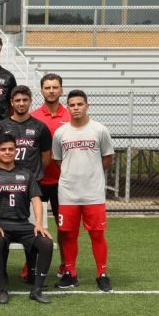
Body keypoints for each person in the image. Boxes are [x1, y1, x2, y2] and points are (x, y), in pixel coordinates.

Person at [51, 90, 115, 293]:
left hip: (93, 193)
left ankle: (102, 274)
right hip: (68, 193)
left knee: (97, 234)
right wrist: (72, 175)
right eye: (72, 105)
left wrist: (91, 174)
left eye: (80, 104)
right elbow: (58, 160)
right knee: (68, 234)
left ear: (88, 106)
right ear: (67, 107)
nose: (76, 108)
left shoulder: (100, 130)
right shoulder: (61, 133)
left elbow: (107, 157)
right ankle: (70, 273)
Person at [0, 133, 53, 304]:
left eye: (10, 149)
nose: (7, 152)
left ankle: (36, 290)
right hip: (1, 224)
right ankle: (2, 289)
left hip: (23, 224)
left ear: (16, 151)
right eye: (3, 149)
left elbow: (36, 199)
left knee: (46, 243)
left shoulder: (26, 174)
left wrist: (39, 224)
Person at [0, 85, 53, 283]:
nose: (21, 103)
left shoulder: (39, 127)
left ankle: (32, 270)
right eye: (17, 100)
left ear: (29, 101)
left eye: (24, 100)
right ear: (11, 103)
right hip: (4, 183)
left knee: (30, 229)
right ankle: (3, 272)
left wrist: (31, 174)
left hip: (31, 184)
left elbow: (45, 156)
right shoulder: (1, 126)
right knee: (6, 227)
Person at [31, 73, 71, 276]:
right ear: (41, 91)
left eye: (55, 87)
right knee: (32, 226)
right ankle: (31, 266)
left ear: (61, 90)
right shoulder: (33, 117)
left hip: (62, 182)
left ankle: (65, 265)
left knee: (63, 227)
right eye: (47, 87)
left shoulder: (71, 117)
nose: (51, 91)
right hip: (37, 181)